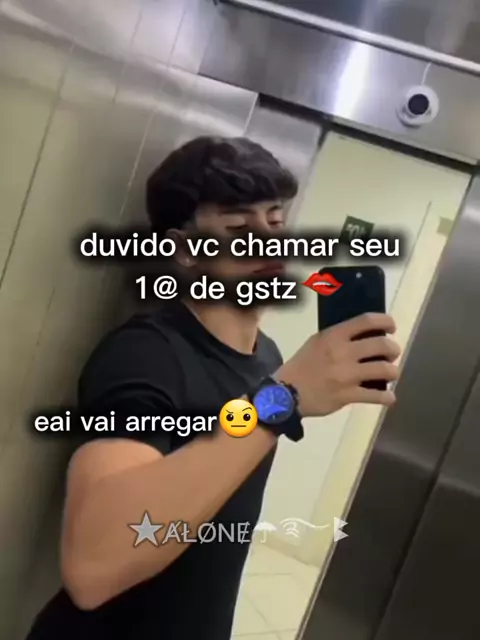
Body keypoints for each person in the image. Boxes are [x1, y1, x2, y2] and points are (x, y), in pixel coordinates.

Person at [26, 136, 400, 639]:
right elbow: (93, 567)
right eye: (240, 228)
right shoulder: (146, 353)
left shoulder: (265, 356)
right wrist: (283, 398)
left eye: (276, 221)